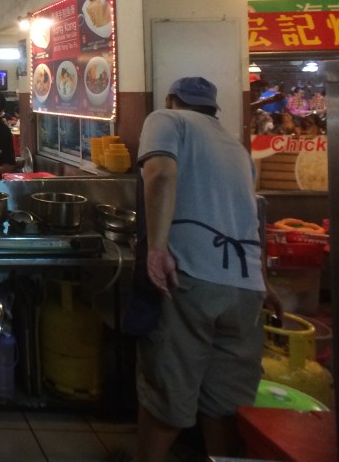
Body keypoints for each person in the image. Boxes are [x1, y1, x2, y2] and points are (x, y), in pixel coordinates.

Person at [133, 76, 282, 462]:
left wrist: (157, 249)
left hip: (192, 277)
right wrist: (264, 280)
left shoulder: (166, 119)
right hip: (245, 289)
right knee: (226, 408)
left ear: (171, 99)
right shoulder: (235, 146)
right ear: (213, 108)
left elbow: (161, 174)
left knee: (169, 392)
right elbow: (251, 213)